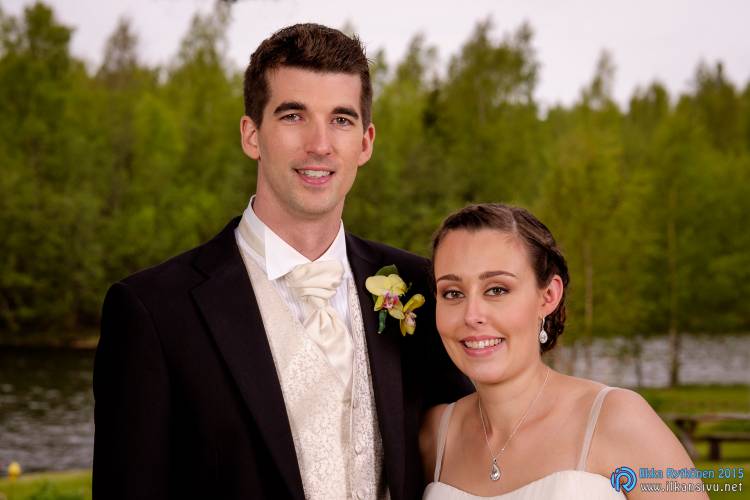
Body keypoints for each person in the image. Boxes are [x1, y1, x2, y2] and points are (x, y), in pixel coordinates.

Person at [93, 24, 471, 500]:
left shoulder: (419, 287)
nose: (320, 144)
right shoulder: (152, 311)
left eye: (341, 119)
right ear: (252, 135)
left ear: (366, 142)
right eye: (294, 116)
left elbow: (483, 438)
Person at [421, 203, 706, 499]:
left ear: (548, 296)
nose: (472, 315)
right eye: (453, 293)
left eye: (497, 290)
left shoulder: (617, 419)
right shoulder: (435, 436)